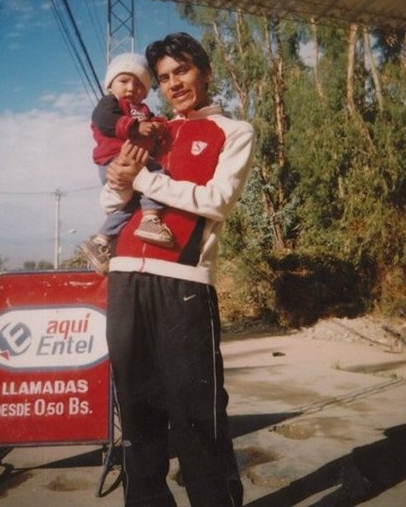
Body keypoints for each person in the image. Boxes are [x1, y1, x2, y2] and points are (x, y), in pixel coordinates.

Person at [102, 33, 255, 507]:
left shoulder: (234, 131)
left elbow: (217, 201)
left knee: (196, 422)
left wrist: (143, 179)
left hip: (183, 287)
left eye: (182, 71)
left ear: (205, 72)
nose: (174, 84)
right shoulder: (153, 129)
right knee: (138, 419)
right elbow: (113, 201)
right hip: (126, 279)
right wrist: (115, 184)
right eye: (165, 78)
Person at [80, 52, 175, 275]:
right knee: (157, 171)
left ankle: (101, 240)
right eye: (124, 81)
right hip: (115, 160)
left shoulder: (142, 110)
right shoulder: (109, 103)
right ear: (110, 84)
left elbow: (152, 122)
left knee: (131, 205)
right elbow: (104, 121)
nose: (131, 88)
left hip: (134, 162)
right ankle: (151, 219)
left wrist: (158, 126)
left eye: (139, 85)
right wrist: (134, 127)